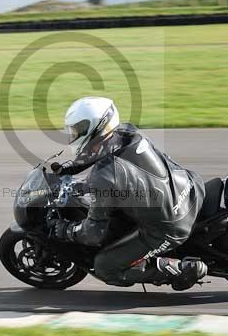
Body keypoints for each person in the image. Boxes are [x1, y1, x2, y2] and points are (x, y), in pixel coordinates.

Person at [47, 96, 209, 290]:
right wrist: (69, 170)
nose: (73, 135)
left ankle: (181, 270)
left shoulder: (104, 176)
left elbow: (94, 234)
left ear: (96, 127)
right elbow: (104, 159)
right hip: (189, 188)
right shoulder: (127, 133)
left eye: (77, 130)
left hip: (169, 226)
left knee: (105, 267)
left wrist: (65, 229)